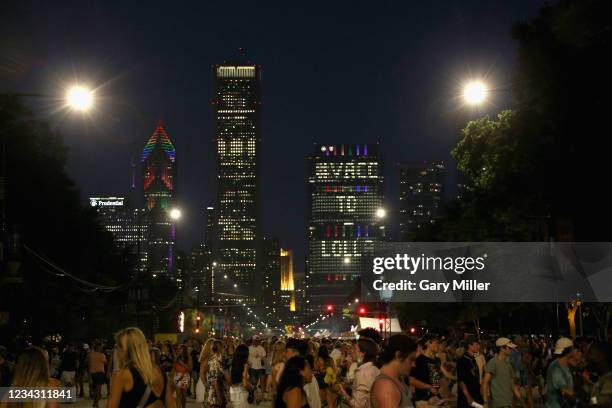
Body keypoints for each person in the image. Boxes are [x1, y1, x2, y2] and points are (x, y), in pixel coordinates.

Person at [106, 327, 175, 408]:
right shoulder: (160, 372)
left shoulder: (122, 375)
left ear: (125, 349)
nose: (116, 351)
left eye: (117, 347)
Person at [371, 334, 417, 408]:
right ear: (398, 355)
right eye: (411, 359)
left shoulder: (399, 379)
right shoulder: (386, 386)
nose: (414, 365)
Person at [337, 338, 380, 408]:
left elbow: (357, 405)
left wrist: (342, 391)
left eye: (354, 349)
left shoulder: (362, 372)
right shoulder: (374, 368)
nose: (351, 351)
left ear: (363, 353)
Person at [482, 337, 523, 408]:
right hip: (498, 403)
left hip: (508, 403)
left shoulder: (508, 364)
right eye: (509, 348)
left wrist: (521, 400)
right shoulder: (493, 362)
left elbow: (513, 385)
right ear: (502, 348)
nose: (512, 350)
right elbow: (485, 383)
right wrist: (485, 402)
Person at [410, 335, 449, 407]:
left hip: (436, 397)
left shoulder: (437, 360)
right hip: (424, 398)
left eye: (439, 343)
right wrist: (429, 387)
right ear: (428, 343)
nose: (438, 345)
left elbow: (437, 378)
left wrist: (442, 388)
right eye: (436, 343)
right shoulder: (420, 360)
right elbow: (412, 380)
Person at [544, 337, 582, 408]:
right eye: (573, 348)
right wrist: (577, 400)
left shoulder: (565, 364)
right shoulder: (556, 367)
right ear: (570, 350)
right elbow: (563, 391)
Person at [286, 338, 321, 408]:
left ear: (295, 353)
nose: (285, 354)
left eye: (287, 351)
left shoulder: (305, 375)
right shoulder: (291, 370)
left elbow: (313, 402)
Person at [457, 337, 483, 408]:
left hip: (475, 394)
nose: (479, 346)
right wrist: (468, 396)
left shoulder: (472, 359)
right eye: (476, 344)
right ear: (469, 345)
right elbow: (461, 380)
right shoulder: (463, 360)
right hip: (468, 396)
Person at [586, 340, 612, 407]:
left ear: (601, 356)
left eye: (590, 353)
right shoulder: (603, 378)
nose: (587, 357)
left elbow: (599, 403)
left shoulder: (609, 380)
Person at [205, 340, 225, 408]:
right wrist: (218, 394)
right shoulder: (214, 359)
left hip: (218, 385)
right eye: (222, 346)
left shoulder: (217, 357)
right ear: (218, 348)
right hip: (215, 388)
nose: (223, 348)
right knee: (214, 403)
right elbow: (213, 378)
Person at [88, 342, 108, 408]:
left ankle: (95, 403)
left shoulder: (90, 354)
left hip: (93, 373)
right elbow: (106, 363)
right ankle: (95, 403)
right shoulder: (102, 355)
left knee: (96, 389)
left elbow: (89, 364)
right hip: (99, 373)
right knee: (98, 389)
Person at [249, 336, 267, 403]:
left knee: (257, 383)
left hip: (259, 368)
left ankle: (255, 396)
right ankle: (255, 397)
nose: (256, 342)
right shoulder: (249, 348)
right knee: (253, 383)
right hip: (252, 368)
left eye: (257, 340)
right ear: (252, 340)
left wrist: (266, 367)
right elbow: (247, 358)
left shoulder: (261, 348)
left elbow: (264, 357)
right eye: (255, 340)